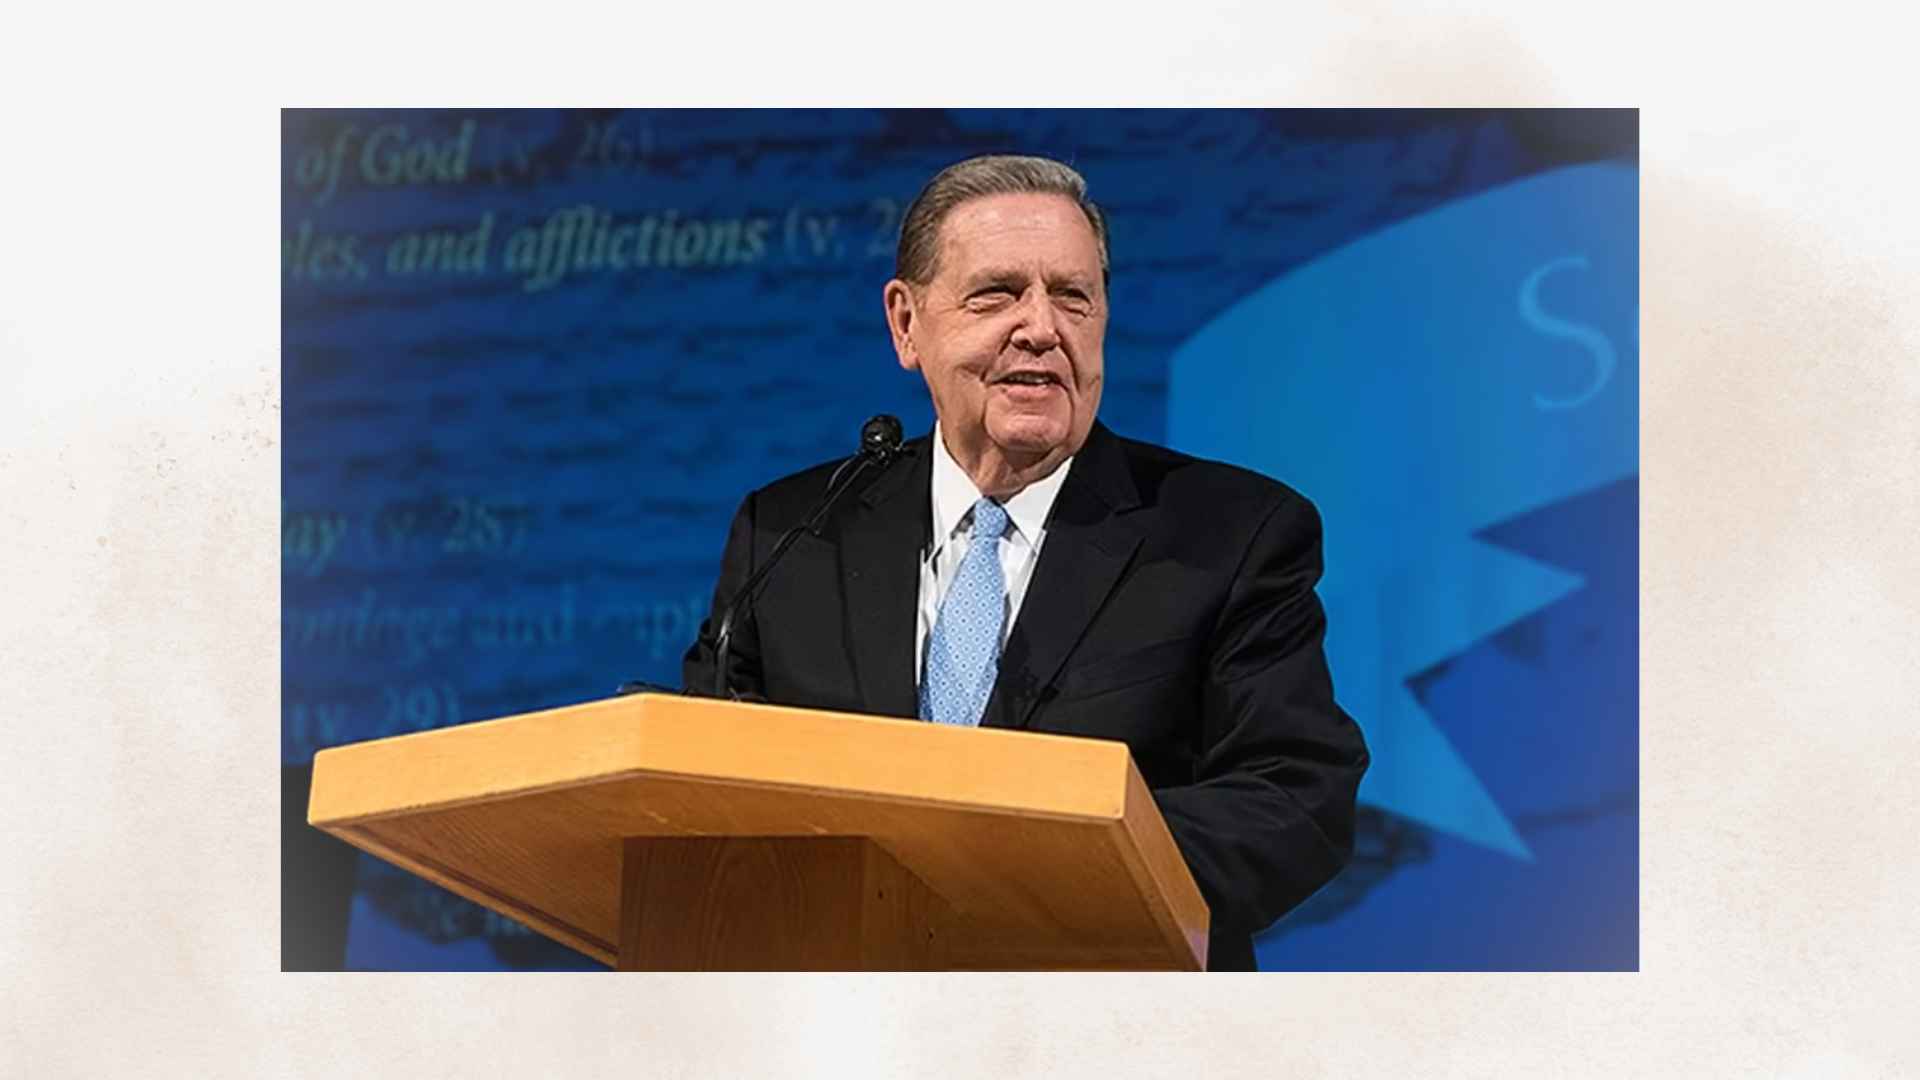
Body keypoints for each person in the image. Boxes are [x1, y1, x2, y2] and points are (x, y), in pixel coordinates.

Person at [683, 154, 1368, 971]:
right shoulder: (793, 535)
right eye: (997, 293)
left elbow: (1294, 793)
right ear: (906, 324)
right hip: (843, 1007)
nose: (1041, 327)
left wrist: (1033, 872)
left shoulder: (1230, 534)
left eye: (1073, 296)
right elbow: (705, 788)